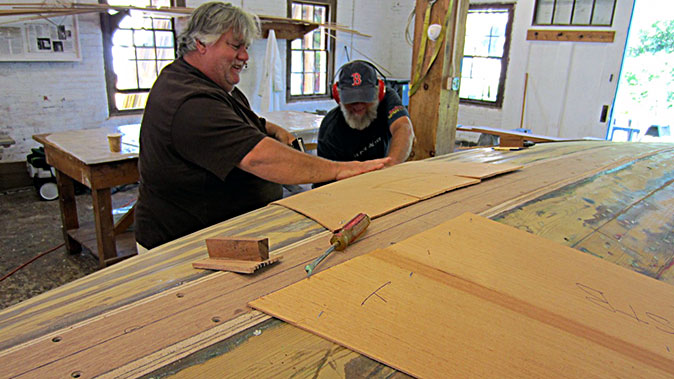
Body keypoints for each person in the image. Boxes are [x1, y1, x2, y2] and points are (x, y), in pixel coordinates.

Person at [135, 2, 389, 251]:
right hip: (181, 247)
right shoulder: (190, 102)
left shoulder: (213, 88)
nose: (245, 56)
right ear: (201, 43)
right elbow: (260, 158)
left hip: (223, 232)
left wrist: (273, 129)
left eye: (246, 46)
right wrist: (338, 170)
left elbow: (241, 123)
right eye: (235, 46)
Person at [315, 60, 414, 186]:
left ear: (379, 92)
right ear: (338, 96)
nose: (358, 106)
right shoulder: (330, 130)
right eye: (351, 100)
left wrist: (391, 165)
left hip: (385, 179)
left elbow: (403, 127)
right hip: (347, 189)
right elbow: (326, 185)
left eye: (365, 98)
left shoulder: (387, 99)